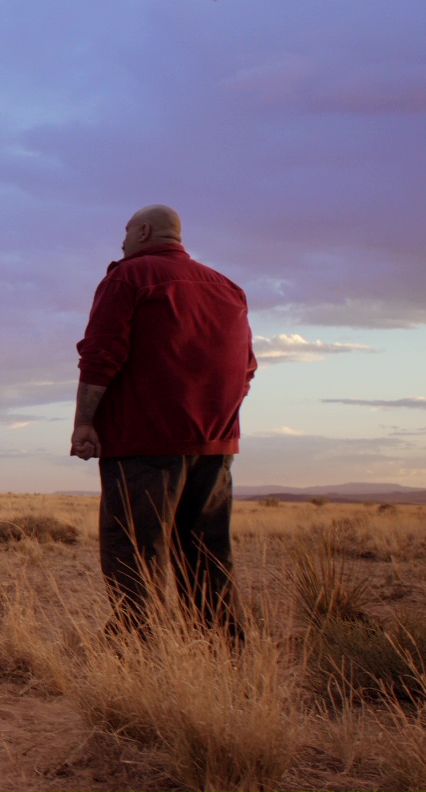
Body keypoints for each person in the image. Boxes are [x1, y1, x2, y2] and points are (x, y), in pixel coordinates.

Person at [72, 205, 255, 636]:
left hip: (143, 443)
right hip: (214, 444)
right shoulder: (228, 288)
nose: (122, 241)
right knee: (207, 551)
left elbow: (101, 354)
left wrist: (84, 423)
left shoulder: (128, 277)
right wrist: (217, 415)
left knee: (134, 549)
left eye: (126, 231)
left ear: (144, 231)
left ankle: (140, 646)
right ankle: (223, 648)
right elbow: (246, 368)